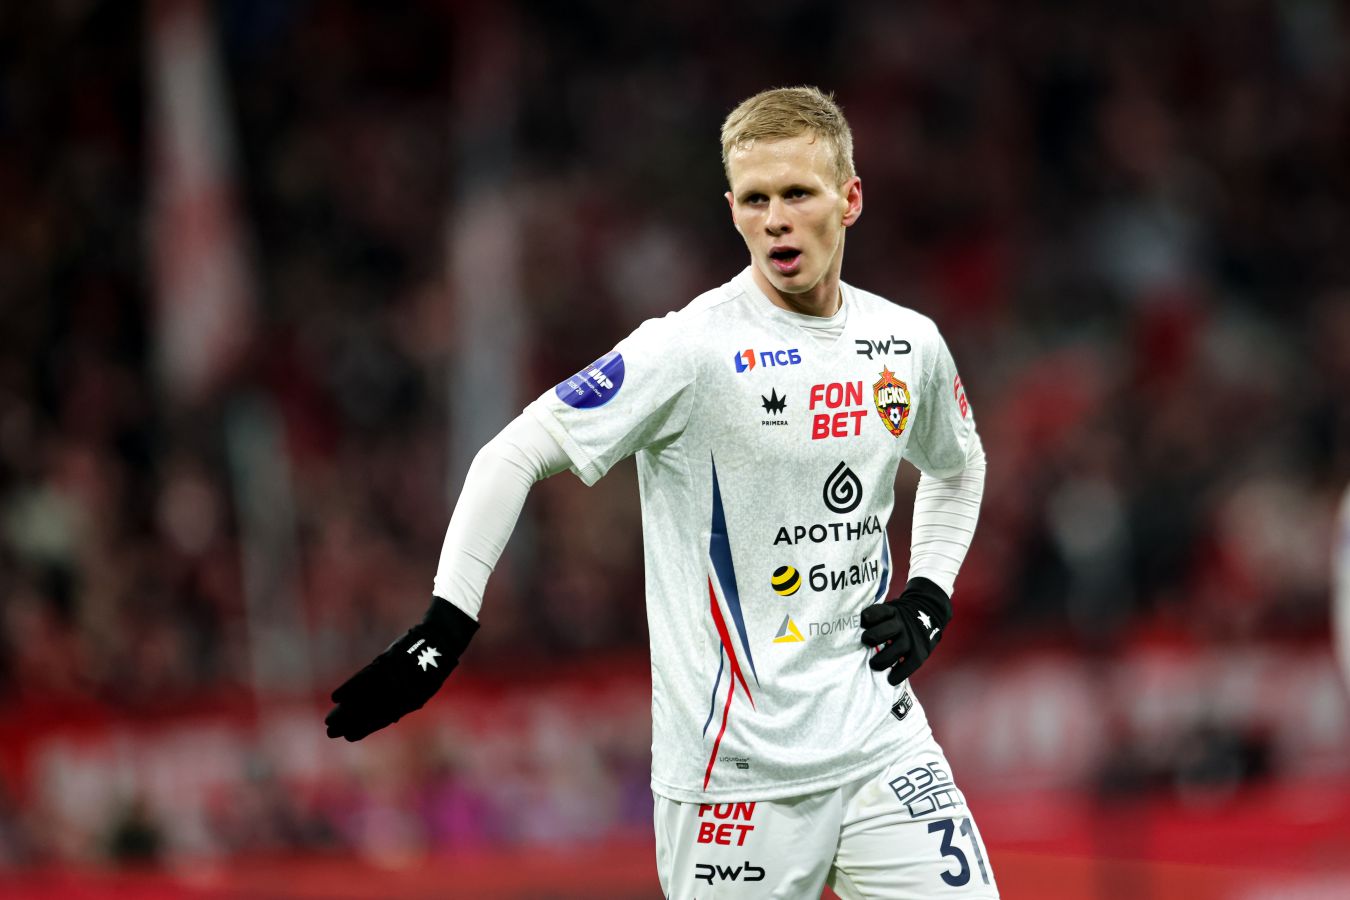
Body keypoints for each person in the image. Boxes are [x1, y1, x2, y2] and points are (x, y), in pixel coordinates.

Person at [325, 86, 998, 899]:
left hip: (881, 747)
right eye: (755, 200)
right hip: (732, 782)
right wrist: (444, 627)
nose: (775, 220)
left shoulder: (906, 344)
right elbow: (512, 453)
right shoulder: (689, 350)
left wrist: (929, 593)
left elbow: (959, 464)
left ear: (850, 199)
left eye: (797, 194)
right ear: (732, 209)